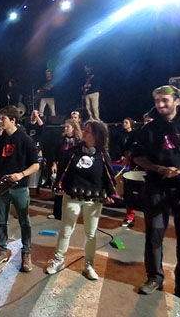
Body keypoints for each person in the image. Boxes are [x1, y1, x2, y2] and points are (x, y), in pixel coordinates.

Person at [46, 120, 117, 280]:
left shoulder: (103, 156)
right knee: (66, 230)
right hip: (72, 196)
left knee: (91, 234)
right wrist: (59, 185)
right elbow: (63, 171)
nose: (83, 133)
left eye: (88, 131)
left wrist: (111, 194)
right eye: (84, 130)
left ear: (97, 135)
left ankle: (89, 265)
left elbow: (109, 177)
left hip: (94, 199)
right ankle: (58, 260)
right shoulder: (73, 152)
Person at [132, 85, 180, 297]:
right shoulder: (148, 130)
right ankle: (155, 277)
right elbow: (137, 156)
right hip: (156, 186)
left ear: (177, 100)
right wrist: (159, 168)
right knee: (154, 233)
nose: (160, 105)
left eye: (165, 100)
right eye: (157, 101)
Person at [0, 105, 39, 270]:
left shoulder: (25, 140)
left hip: (20, 187)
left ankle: (26, 252)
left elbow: (35, 165)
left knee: (24, 221)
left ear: (13, 120)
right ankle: (2, 249)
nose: (0, 121)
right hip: (2, 188)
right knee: (1, 221)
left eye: (3, 118)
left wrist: (21, 174)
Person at [49, 120, 83, 220]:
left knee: (70, 192)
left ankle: (70, 214)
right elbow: (55, 152)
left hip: (73, 169)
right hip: (61, 167)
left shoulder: (78, 141)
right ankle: (57, 213)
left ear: (73, 128)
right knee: (59, 190)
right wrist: (54, 164)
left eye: (67, 127)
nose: (65, 129)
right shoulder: (61, 139)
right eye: (65, 127)